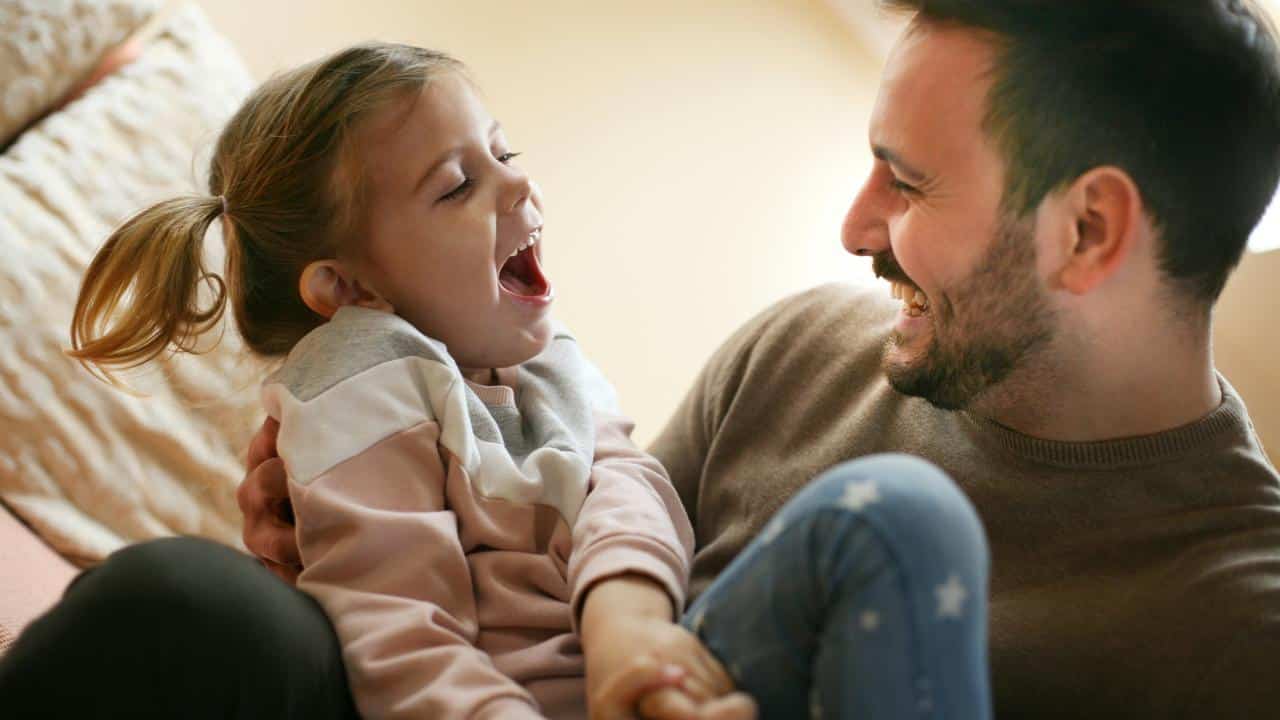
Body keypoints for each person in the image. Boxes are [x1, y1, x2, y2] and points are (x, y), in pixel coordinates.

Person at [240, 0, 1280, 717]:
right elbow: (565, 565)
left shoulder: (1237, 631)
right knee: (193, 608)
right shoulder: (797, 352)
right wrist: (353, 529)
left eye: (905, 185)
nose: (851, 228)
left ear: (1087, 232)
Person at [0, 40, 992, 720]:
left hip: (627, 682)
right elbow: (399, 631)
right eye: (457, 184)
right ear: (348, 289)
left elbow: (622, 484)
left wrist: (628, 630)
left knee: (896, 517)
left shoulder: (544, 367)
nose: (518, 183)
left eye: (504, 151)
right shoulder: (365, 377)